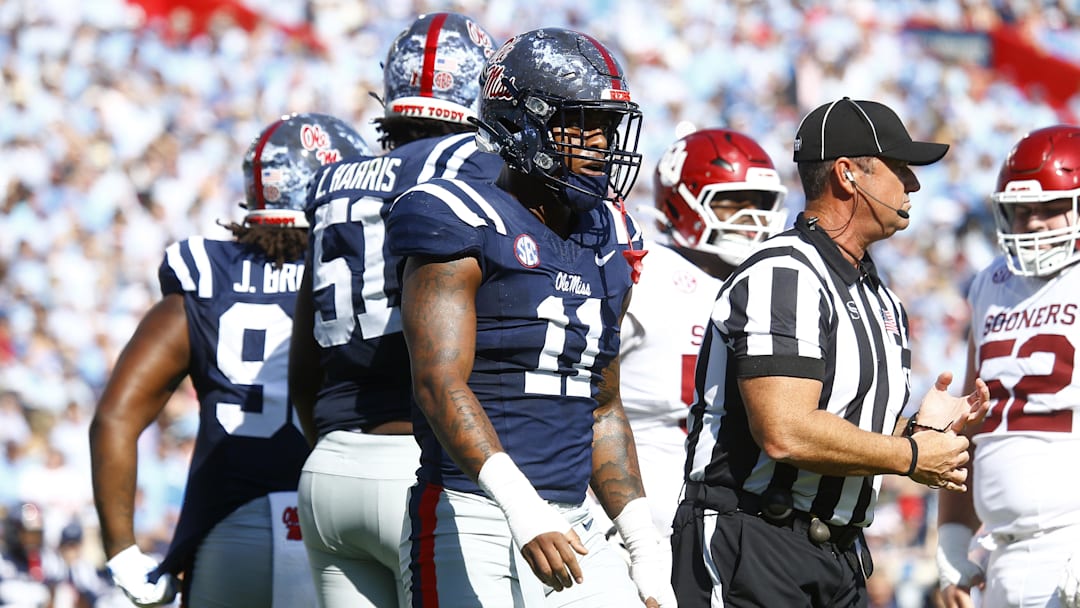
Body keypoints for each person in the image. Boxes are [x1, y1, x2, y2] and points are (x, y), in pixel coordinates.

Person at [385, 27, 675, 608]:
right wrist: (522, 508)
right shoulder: (456, 213)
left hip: (578, 523)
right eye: (581, 123)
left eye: (608, 125)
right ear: (523, 124)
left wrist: (643, 538)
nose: (601, 142)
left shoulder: (609, 235)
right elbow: (438, 383)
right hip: (476, 509)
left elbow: (602, 403)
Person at [670, 97, 990, 607]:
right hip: (755, 540)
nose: (914, 185)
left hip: (838, 553)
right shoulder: (784, 272)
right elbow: (785, 431)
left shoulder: (880, 296)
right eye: (900, 168)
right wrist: (909, 456)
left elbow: (840, 431)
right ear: (848, 174)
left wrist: (921, 432)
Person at [89, 112, 369, 607]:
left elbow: (114, 416)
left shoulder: (206, 276)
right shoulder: (358, 273)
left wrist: (122, 553)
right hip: (340, 525)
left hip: (230, 530)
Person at [287, 12, 500, 608]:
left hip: (332, 462)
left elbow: (304, 364)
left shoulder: (334, 180)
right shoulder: (472, 168)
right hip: (423, 458)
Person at [616, 128, 789, 540]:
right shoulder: (647, 273)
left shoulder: (770, 283)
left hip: (723, 513)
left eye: (760, 203)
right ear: (681, 202)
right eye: (732, 201)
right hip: (636, 501)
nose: (752, 218)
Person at [936, 124, 1080, 608]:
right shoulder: (989, 284)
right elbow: (971, 419)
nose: (1035, 224)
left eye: (1053, 208)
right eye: (1023, 211)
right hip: (1001, 554)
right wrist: (954, 543)